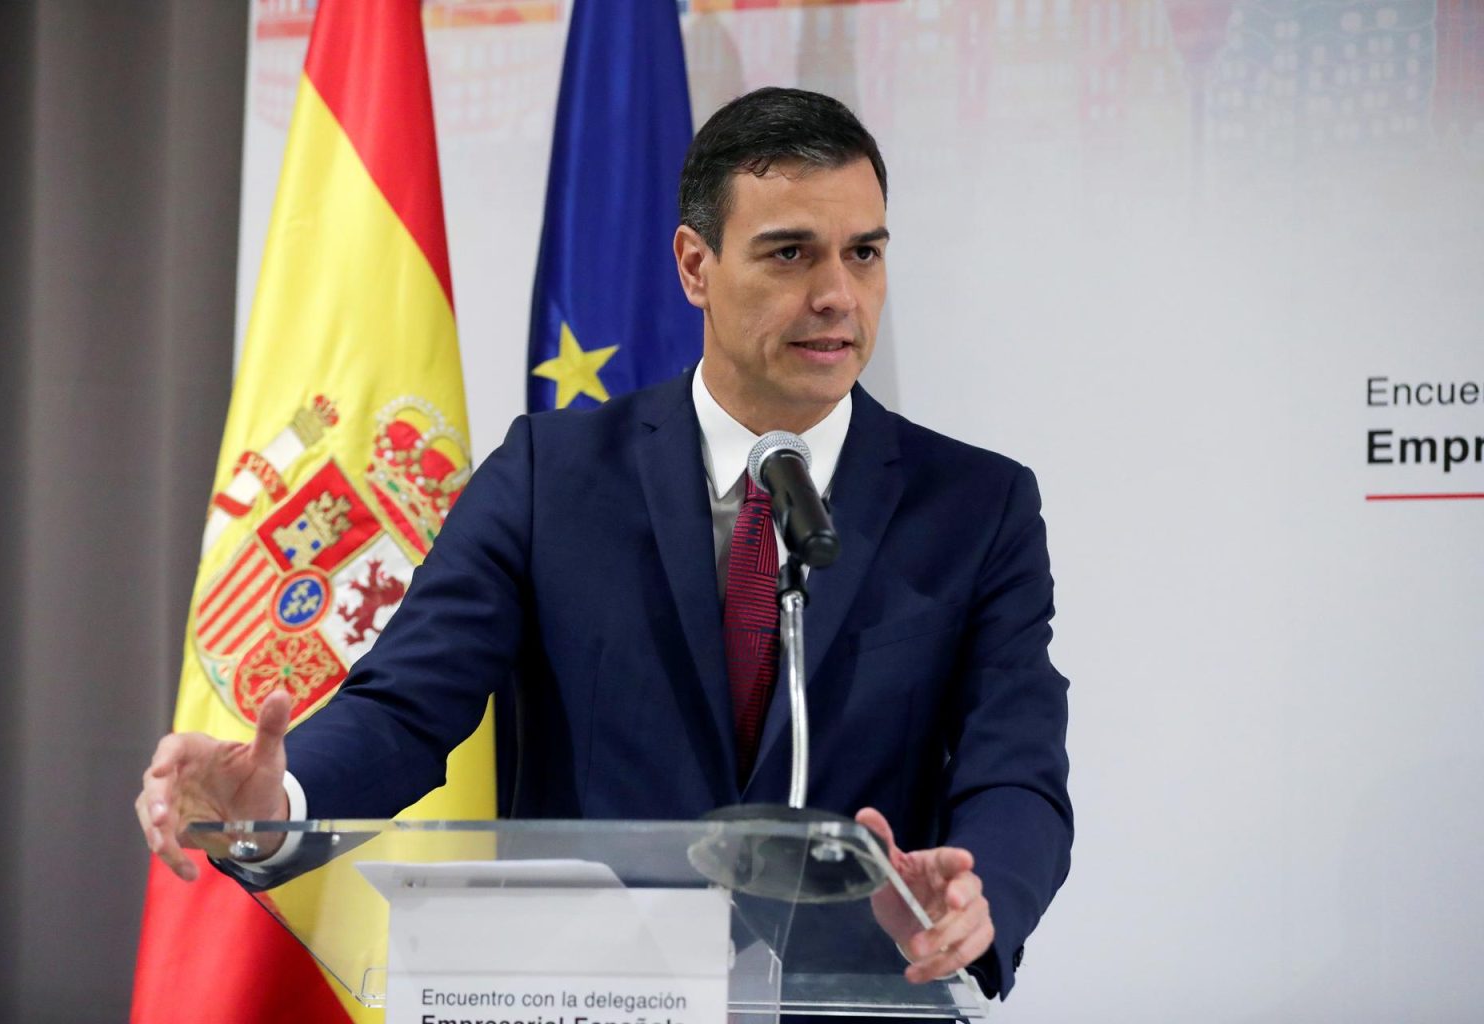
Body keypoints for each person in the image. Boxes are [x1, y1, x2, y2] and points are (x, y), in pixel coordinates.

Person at [136, 87, 1072, 998]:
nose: (836, 294)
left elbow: (1016, 768)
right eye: (790, 254)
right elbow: (408, 707)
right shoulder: (553, 476)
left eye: (862, 253)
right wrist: (284, 797)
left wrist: (980, 891)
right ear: (694, 265)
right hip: (598, 994)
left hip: (858, 997)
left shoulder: (976, 507)